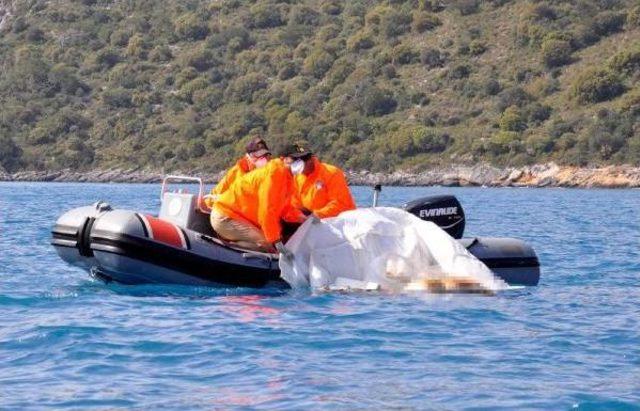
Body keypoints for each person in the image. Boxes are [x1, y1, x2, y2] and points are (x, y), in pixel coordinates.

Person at [209, 157, 303, 255]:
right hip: (225, 216)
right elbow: (266, 211)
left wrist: (302, 218)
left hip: (239, 217)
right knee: (266, 244)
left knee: (271, 240)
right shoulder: (273, 175)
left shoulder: (286, 178)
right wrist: (276, 242)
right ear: (285, 159)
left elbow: (285, 207)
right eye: (295, 160)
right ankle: (225, 249)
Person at [279, 143, 356, 219]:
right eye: (296, 160)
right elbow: (295, 204)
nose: (299, 163)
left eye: (303, 159)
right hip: (312, 220)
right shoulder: (297, 177)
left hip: (337, 222)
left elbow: (340, 204)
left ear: (311, 158)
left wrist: (315, 216)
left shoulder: (332, 173)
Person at [203, 136, 271, 208]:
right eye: (258, 156)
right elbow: (214, 197)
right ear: (248, 156)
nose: (262, 159)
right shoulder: (238, 172)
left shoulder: (269, 170)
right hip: (225, 208)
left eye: (265, 155)